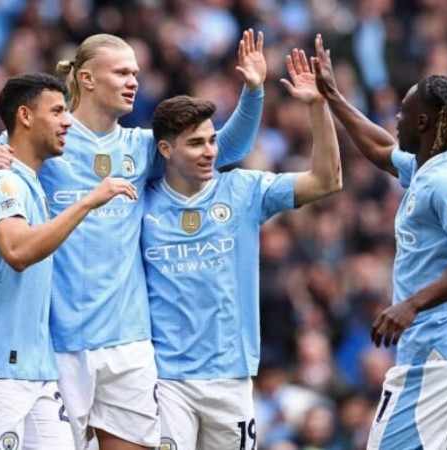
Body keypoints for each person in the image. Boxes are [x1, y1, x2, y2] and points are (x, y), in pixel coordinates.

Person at [0, 29, 267, 450]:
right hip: (58, 341)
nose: (134, 82)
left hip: (128, 340)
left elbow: (225, 149)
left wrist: (253, 91)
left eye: (137, 73)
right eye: (123, 72)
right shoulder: (47, 137)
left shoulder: (141, 147)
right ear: (88, 78)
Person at [142, 38, 341, 450]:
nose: (209, 152)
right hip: (164, 379)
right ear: (165, 149)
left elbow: (326, 180)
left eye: (212, 141)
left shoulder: (243, 190)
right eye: (195, 143)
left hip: (230, 378)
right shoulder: (138, 203)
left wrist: (318, 108)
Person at [313, 36, 447, 449]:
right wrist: (334, 96)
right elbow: (381, 149)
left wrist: (410, 304)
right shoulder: (428, 167)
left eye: (402, 112)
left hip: (439, 360)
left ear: (422, 124)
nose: (395, 119)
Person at [0, 73, 137, 449]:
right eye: (58, 111)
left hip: (37, 370)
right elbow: (17, 252)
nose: (67, 120)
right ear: (26, 117)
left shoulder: (30, 179)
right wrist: (87, 202)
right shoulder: (2, 180)